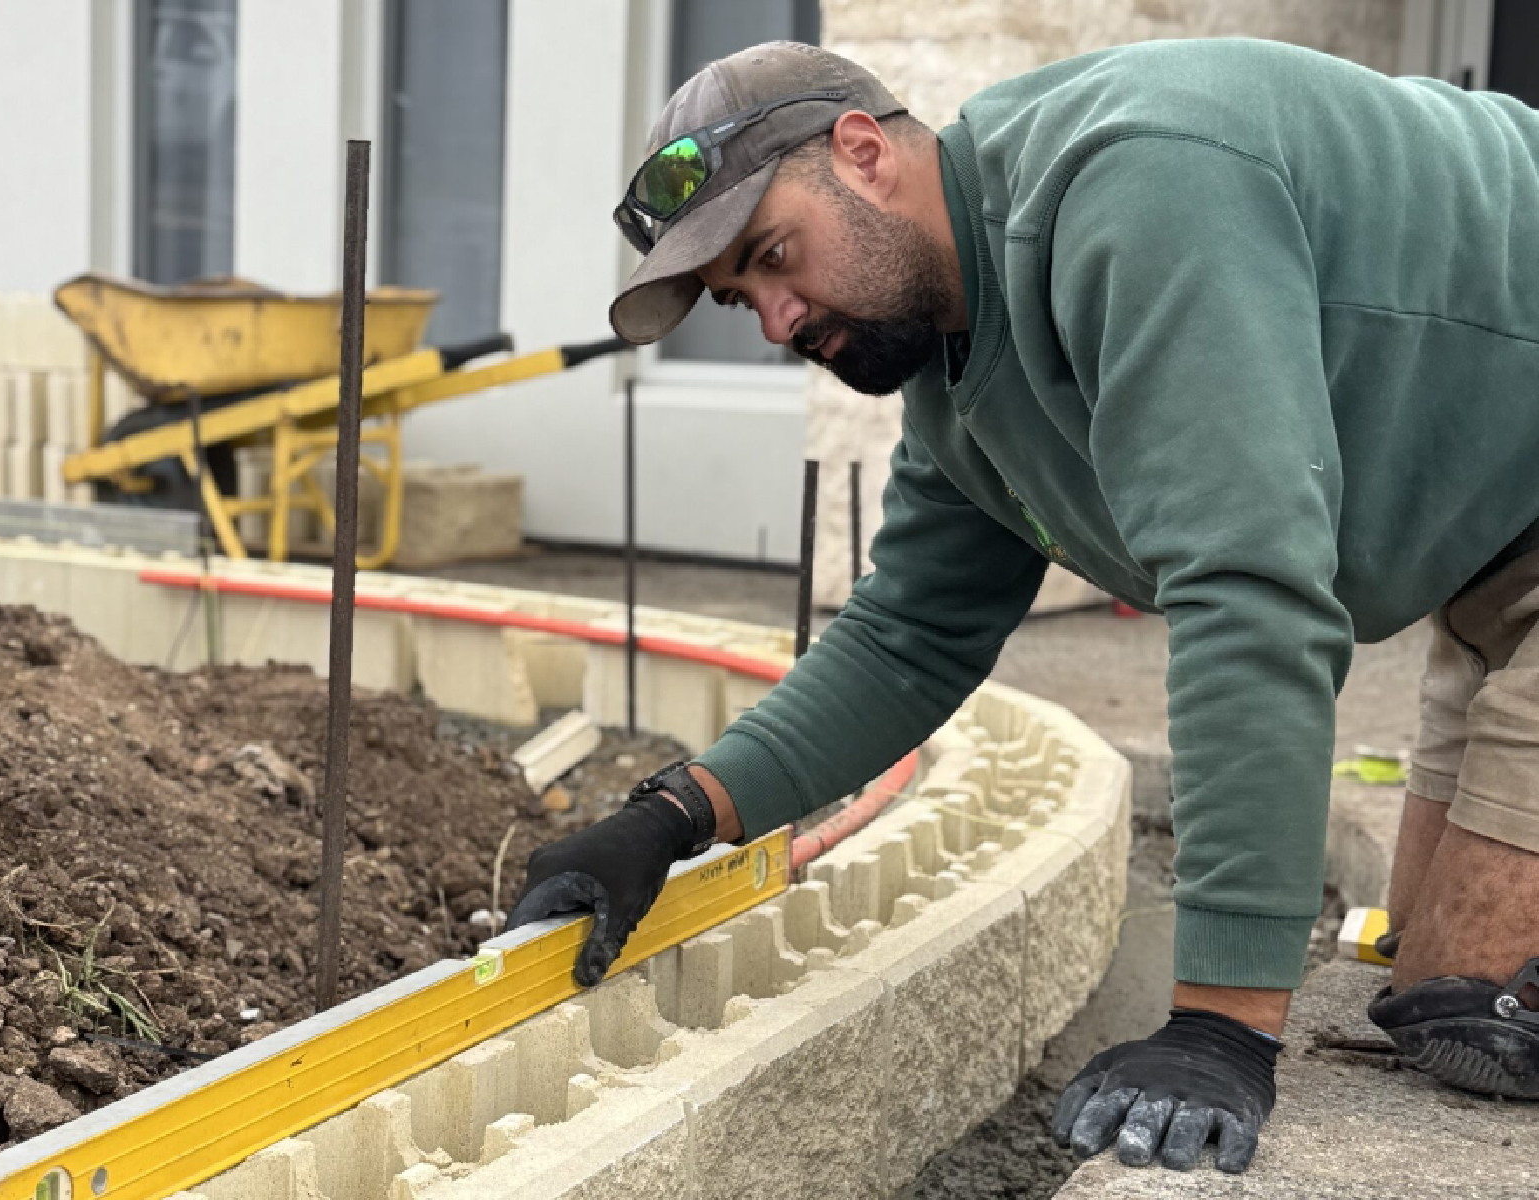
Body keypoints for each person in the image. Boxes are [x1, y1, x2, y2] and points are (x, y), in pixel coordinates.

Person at [507, 37, 1539, 1175]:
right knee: (1444, 986)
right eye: (739, 294)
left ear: (861, 152)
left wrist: (1221, 1024)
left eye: (773, 255)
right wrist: (669, 820)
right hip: (1494, 535)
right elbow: (909, 635)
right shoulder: (959, 380)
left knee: (1475, 1010)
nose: (775, 320)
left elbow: (1248, 595)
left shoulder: (1139, 190)